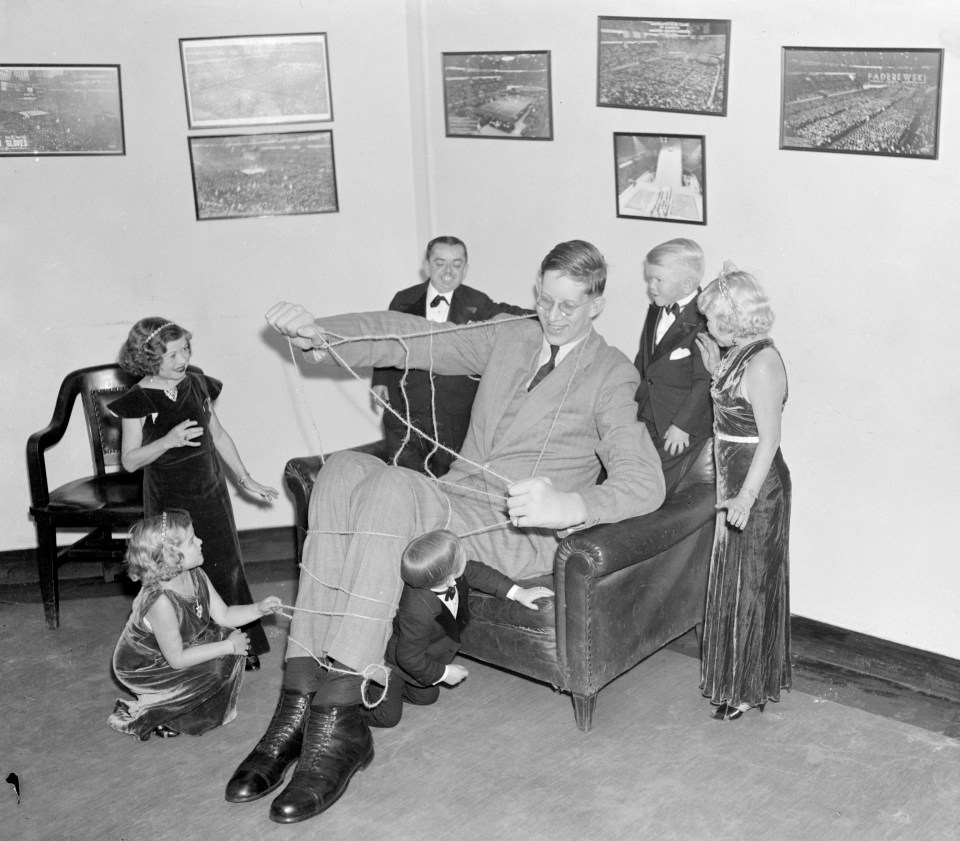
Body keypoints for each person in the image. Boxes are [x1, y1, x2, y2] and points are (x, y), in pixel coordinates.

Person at [225, 240, 665, 824]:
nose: (553, 318)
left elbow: (645, 482)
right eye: (545, 300)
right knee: (343, 470)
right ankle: (298, 700)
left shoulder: (611, 373)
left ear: (598, 304)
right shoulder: (511, 333)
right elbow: (410, 335)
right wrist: (319, 332)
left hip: (508, 528)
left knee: (389, 490)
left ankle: (335, 715)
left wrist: (570, 503)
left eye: (569, 307)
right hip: (456, 497)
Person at [110, 318, 279, 671]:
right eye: (171, 355)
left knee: (226, 565)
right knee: (175, 576)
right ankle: (189, 650)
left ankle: (241, 645)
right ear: (148, 359)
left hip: (210, 491)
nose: (181, 359)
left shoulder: (197, 384)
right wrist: (168, 440)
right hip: (167, 498)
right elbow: (129, 460)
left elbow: (217, 435)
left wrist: (246, 479)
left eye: (185, 348)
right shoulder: (138, 399)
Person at [694, 264, 791, 721]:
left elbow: (768, 439)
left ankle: (748, 688)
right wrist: (717, 370)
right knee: (730, 580)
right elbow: (732, 411)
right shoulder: (736, 353)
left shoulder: (764, 361)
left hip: (758, 486)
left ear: (734, 318)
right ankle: (734, 679)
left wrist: (746, 498)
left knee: (751, 582)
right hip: (732, 482)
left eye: (712, 319)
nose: (707, 327)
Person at [108, 510, 283, 741]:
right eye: (192, 541)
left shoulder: (196, 574)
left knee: (228, 637)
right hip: (145, 666)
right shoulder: (160, 601)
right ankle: (156, 712)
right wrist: (228, 647)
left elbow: (225, 615)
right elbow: (177, 659)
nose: (200, 541)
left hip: (178, 646)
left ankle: (191, 707)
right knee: (221, 660)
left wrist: (258, 609)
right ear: (171, 557)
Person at [371, 235, 531, 476]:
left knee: (450, 481)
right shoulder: (403, 299)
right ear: (426, 266)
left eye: (456, 264)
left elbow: (508, 314)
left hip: (454, 413)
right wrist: (380, 379)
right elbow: (386, 339)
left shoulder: (478, 302)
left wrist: (547, 312)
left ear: (465, 269)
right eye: (440, 263)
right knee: (404, 480)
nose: (448, 271)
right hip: (405, 407)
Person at [363, 529, 554, 728]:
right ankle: (362, 696)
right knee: (388, 718)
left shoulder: (448, 576)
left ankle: (394, 693)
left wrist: (518, 592)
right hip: (395, 663)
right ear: (448, 579)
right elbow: (407, 657)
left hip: (424, 655)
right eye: (461, 556)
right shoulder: (418, 612)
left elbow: (481, 573)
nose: (466, 556)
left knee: (427, 697)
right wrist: (444, 673)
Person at [633, 238, 713, 495]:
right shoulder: (657, 309)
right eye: (649, 279)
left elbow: (705, 380)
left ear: (687, 284)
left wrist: (682, 425)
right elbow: (644, 360)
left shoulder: (706, 319)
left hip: (678, 425)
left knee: (650, 485)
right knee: (622, 467)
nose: (651, 287)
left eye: (658, 280)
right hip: (647, 413)